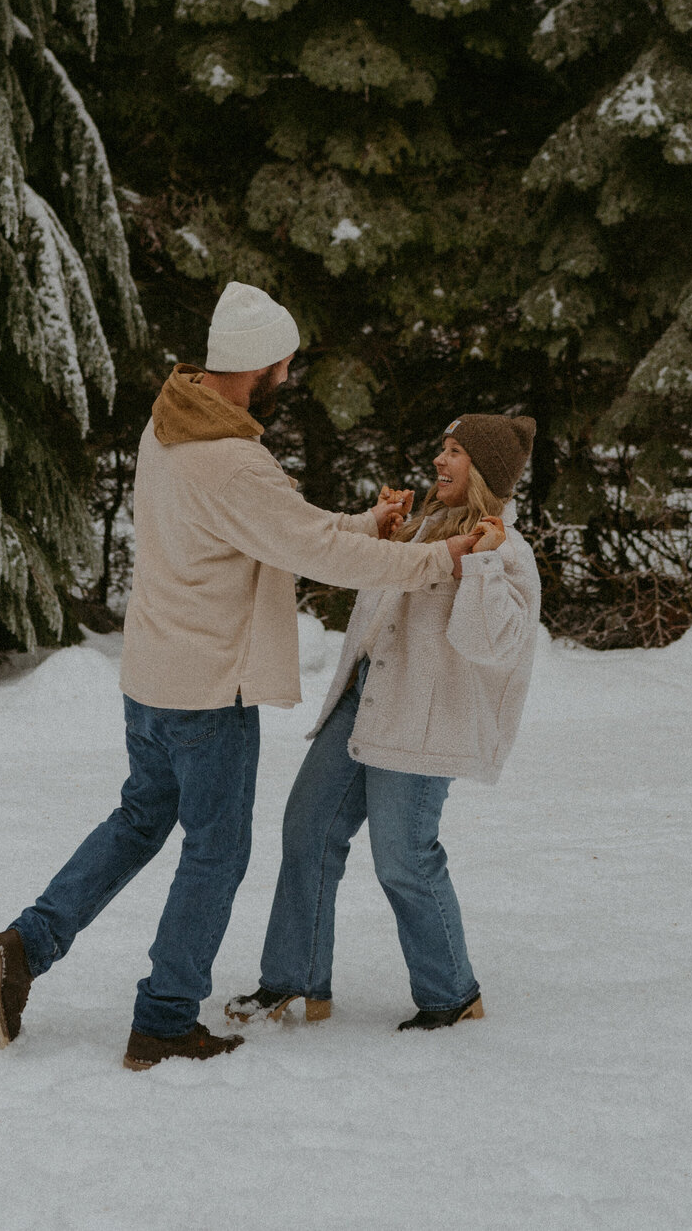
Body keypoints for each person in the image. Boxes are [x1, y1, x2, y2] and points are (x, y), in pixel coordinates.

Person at [0, 283, 480, 1070]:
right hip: (208, 696)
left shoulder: (169, 424)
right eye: (286, 364)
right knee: (217, 852)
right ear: (262, 364)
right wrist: (437, 555)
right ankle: (165, 1019)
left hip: (150, 682)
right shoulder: (234, 460)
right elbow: (314, 551)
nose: (288, 378)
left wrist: (362, 524)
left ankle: (23, 947)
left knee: (138, 823)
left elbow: (278, 533)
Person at [226, 413, 540, 1033]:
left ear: (485, 471)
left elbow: (494, 645)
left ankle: (452, 994)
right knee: (308, 830)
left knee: (403, 858)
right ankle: (294, 980)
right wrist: (382, 533)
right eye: (441, 448)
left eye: (454, 452)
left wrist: (479, 563)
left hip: (426, 723)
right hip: (364, 701)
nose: (439, 461)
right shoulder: (422, 528)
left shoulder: (508, 549)